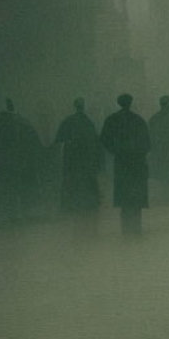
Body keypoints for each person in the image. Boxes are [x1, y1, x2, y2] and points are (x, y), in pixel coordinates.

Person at [100, 94, 151, 236]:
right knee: (136, 200)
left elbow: (104, 140)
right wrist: (137, 151)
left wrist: (117, 151)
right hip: (137, 164)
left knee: (125, 199)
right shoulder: (138, 120)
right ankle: (136, 229)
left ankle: (126, 230)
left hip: (122, 164)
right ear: (130, 103)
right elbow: (147, 144)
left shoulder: (112, 120)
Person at [55, 98, 103, 237]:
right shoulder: (89, 122)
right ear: (83, 107)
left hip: (72, 161)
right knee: (87, 184)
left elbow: (59, 139)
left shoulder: (68, 121)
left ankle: (75, 207)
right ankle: (88, 207)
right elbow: (95, 142)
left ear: (74, 106)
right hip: (86, 160)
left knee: (74, 184)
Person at [0, 98, 43, 223]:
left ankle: (12, 215)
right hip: (24, 161)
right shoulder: (24, 122)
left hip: (8, 162)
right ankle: (23, 213)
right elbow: (36, 144)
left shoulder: (0, 123)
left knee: (10, 189)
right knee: (23, 188)